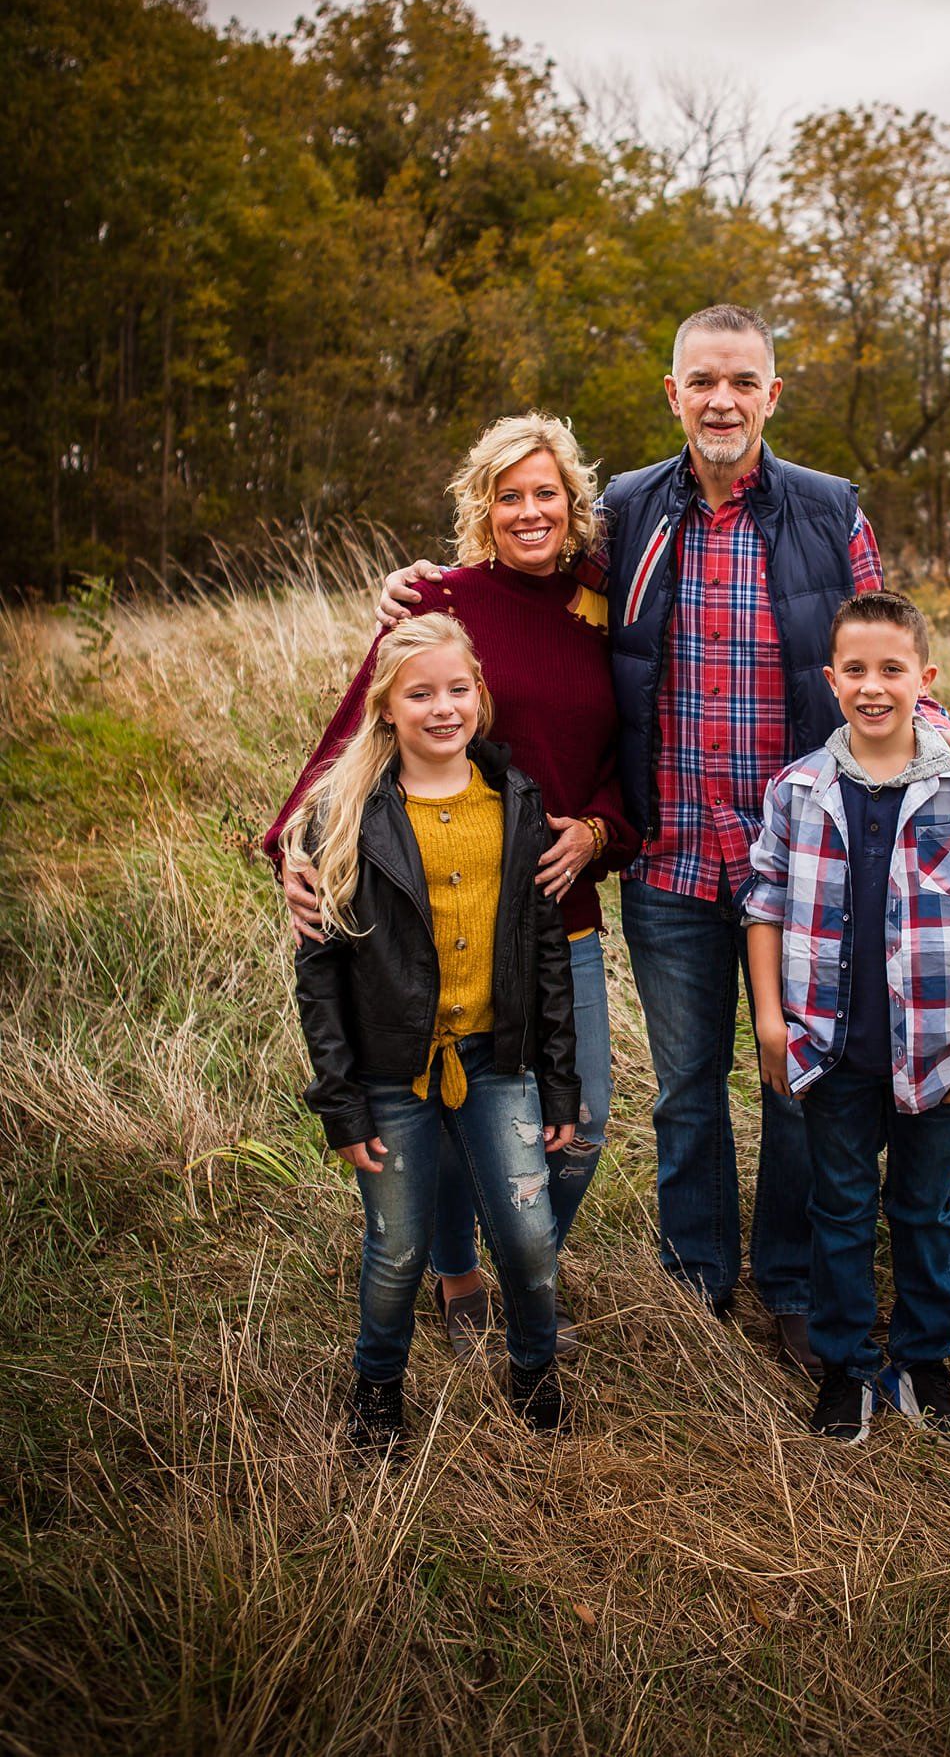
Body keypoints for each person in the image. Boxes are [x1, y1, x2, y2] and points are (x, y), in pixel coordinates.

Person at [375, 304, 950, 1374]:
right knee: (682, 1088)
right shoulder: (624, 512)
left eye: (741, 381)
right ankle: (695, 1277)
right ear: (672, 394)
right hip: (668, 856)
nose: (721, 400)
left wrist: (948, 734)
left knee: (794, 1083)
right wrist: (417, 586)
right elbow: (519, 564)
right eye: (700, 381)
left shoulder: (825, 508)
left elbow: (876, 646)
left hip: (802, 869)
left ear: (771, 393)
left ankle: (794, 1284)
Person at [268, 414, 636, 1357]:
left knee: (581, 1119)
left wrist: (598, 828)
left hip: (562, 908)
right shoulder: (439, 599)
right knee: (433, 1107)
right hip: (430, 915)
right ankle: (456, 1268)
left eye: (544, 492)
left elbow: (632, 753)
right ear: (481, 507)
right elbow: (356, 732)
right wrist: (294, 850)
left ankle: (521, 1258)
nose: (528, 511)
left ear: (572, 502)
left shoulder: (607, 603)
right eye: (508, 494)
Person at [744, 591, 950, 1444]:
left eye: (891, 669)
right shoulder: (798, 789)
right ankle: (845, 1367)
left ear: (925, 678)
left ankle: (923, 1359)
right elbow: (762, 904)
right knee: (838, 1207)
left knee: (922, 1208)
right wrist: (771, 1020)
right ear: (830, 677)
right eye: (857, 671)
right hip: (830, 1049)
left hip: (942, 1052)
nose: (873, 687)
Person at [283, 613, 580, 1448]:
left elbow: (545, 953)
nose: (442, 708)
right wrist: (340, 1101)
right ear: (385, 708)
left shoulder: (515, 801)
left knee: (526, 1238)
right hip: (390, 1075)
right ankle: (376, 1392)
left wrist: (559, 1080)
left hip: (497, 1060)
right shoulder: (344, 817)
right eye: (420, 693)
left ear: (480, 698)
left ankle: (532, 1368)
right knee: (398, 1246)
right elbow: (321, 974)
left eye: (458, 689)